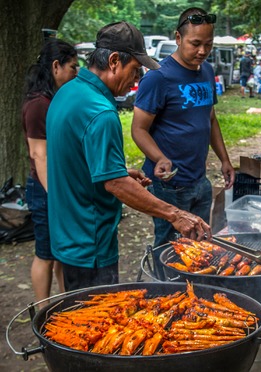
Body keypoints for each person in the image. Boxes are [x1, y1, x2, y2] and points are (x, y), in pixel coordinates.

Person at [46, 21, 211, 291]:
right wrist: (174, 214)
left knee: (75, 312)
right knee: (95, 324)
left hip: (66, 235)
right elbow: (115, 185)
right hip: (91, 242)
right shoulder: (101, 112)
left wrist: (118, 171)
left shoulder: (68, 92)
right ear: (113, 61)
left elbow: (78, 161)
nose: (137, 80)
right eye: (135, 70)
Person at [132, 8, 235, 250]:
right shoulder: (158, 77)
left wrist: (225, 160)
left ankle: (194, 287)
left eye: (208, 45)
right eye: (195, 43)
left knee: (199, 243)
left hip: (199, 178)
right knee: (168, 246)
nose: (202, 51)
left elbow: (210, 119)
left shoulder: (207, 71)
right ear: (178, 38)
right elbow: (138, 129)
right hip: (169, 183)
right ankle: (162, 287)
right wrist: (159, 158)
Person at [21, 39, 78, 306]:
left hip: (55, 188)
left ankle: (66, 302)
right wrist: (56, 196)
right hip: (45, 190)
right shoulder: (38, 104)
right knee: (45, 254)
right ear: (56, 67)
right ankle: (43, 310)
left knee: (60, 254)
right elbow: (38, 154)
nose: (76, 73)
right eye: (73, 67)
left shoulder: (53, 100)